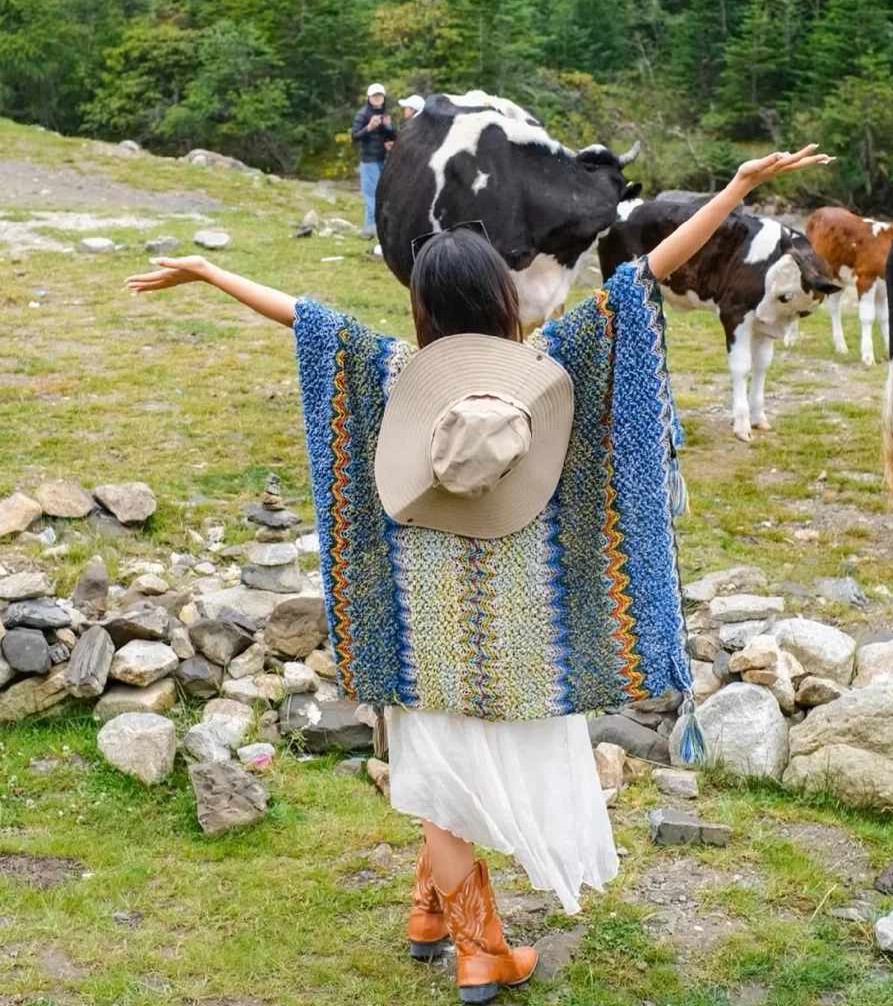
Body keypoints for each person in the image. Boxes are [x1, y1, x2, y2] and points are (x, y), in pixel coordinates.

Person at [125, 145, 830, 1004]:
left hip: (423, 637)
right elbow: (649, 272)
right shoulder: (555, 367)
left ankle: (435, 918)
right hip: (531, 643)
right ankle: (480, 951)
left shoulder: (387, 371)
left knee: (438, 782)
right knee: (447, 792)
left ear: (423, 306)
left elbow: (302, 317)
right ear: (503, 297)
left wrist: (208, 271)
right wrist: (739, 187)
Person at [351, 82, 395, 239]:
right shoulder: (362, 114)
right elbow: (355, 136)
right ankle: (372, 228)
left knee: (381, 193)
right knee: (372, 194)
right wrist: (369, 127)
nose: (378, 99)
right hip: (368, 159)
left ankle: (371, 229)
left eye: (380, 96)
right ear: (368, 98)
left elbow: (392, 138)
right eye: (375, 96)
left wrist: (389, 127)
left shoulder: (385, 114)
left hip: (382, 158)